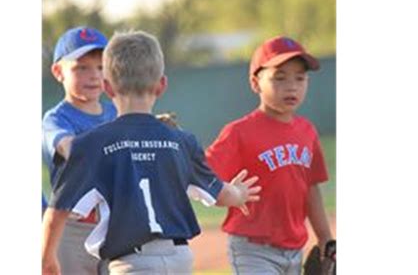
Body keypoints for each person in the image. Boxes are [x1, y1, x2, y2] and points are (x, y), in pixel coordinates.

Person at [41, 30, 261, 275]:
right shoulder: (182, 140)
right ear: (162, 85)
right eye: (82, 67)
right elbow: (221, 194)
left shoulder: (93, 144)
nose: (91, 74)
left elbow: (56, 211)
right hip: (179, 259)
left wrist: (46, 257)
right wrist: (239, 193)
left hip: (131, 261)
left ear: (108, 86)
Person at [205, 36, 335, 274]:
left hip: (294, 248)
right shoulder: (239, 132)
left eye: (300, 78)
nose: (292, 86)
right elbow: (203, 173)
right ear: (255, 82)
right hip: (252, 249)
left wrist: (326, 238)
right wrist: (227, 193)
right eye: (280, 77)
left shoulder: (307, 131)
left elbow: (311, 188)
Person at [42, 26, 117, 275]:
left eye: (100, 67)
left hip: (116, 224)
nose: (93, 76)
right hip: (72, 229)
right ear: (58, 72)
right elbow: (70, 148)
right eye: (81, 68)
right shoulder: (56, 120)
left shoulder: (116, 112)